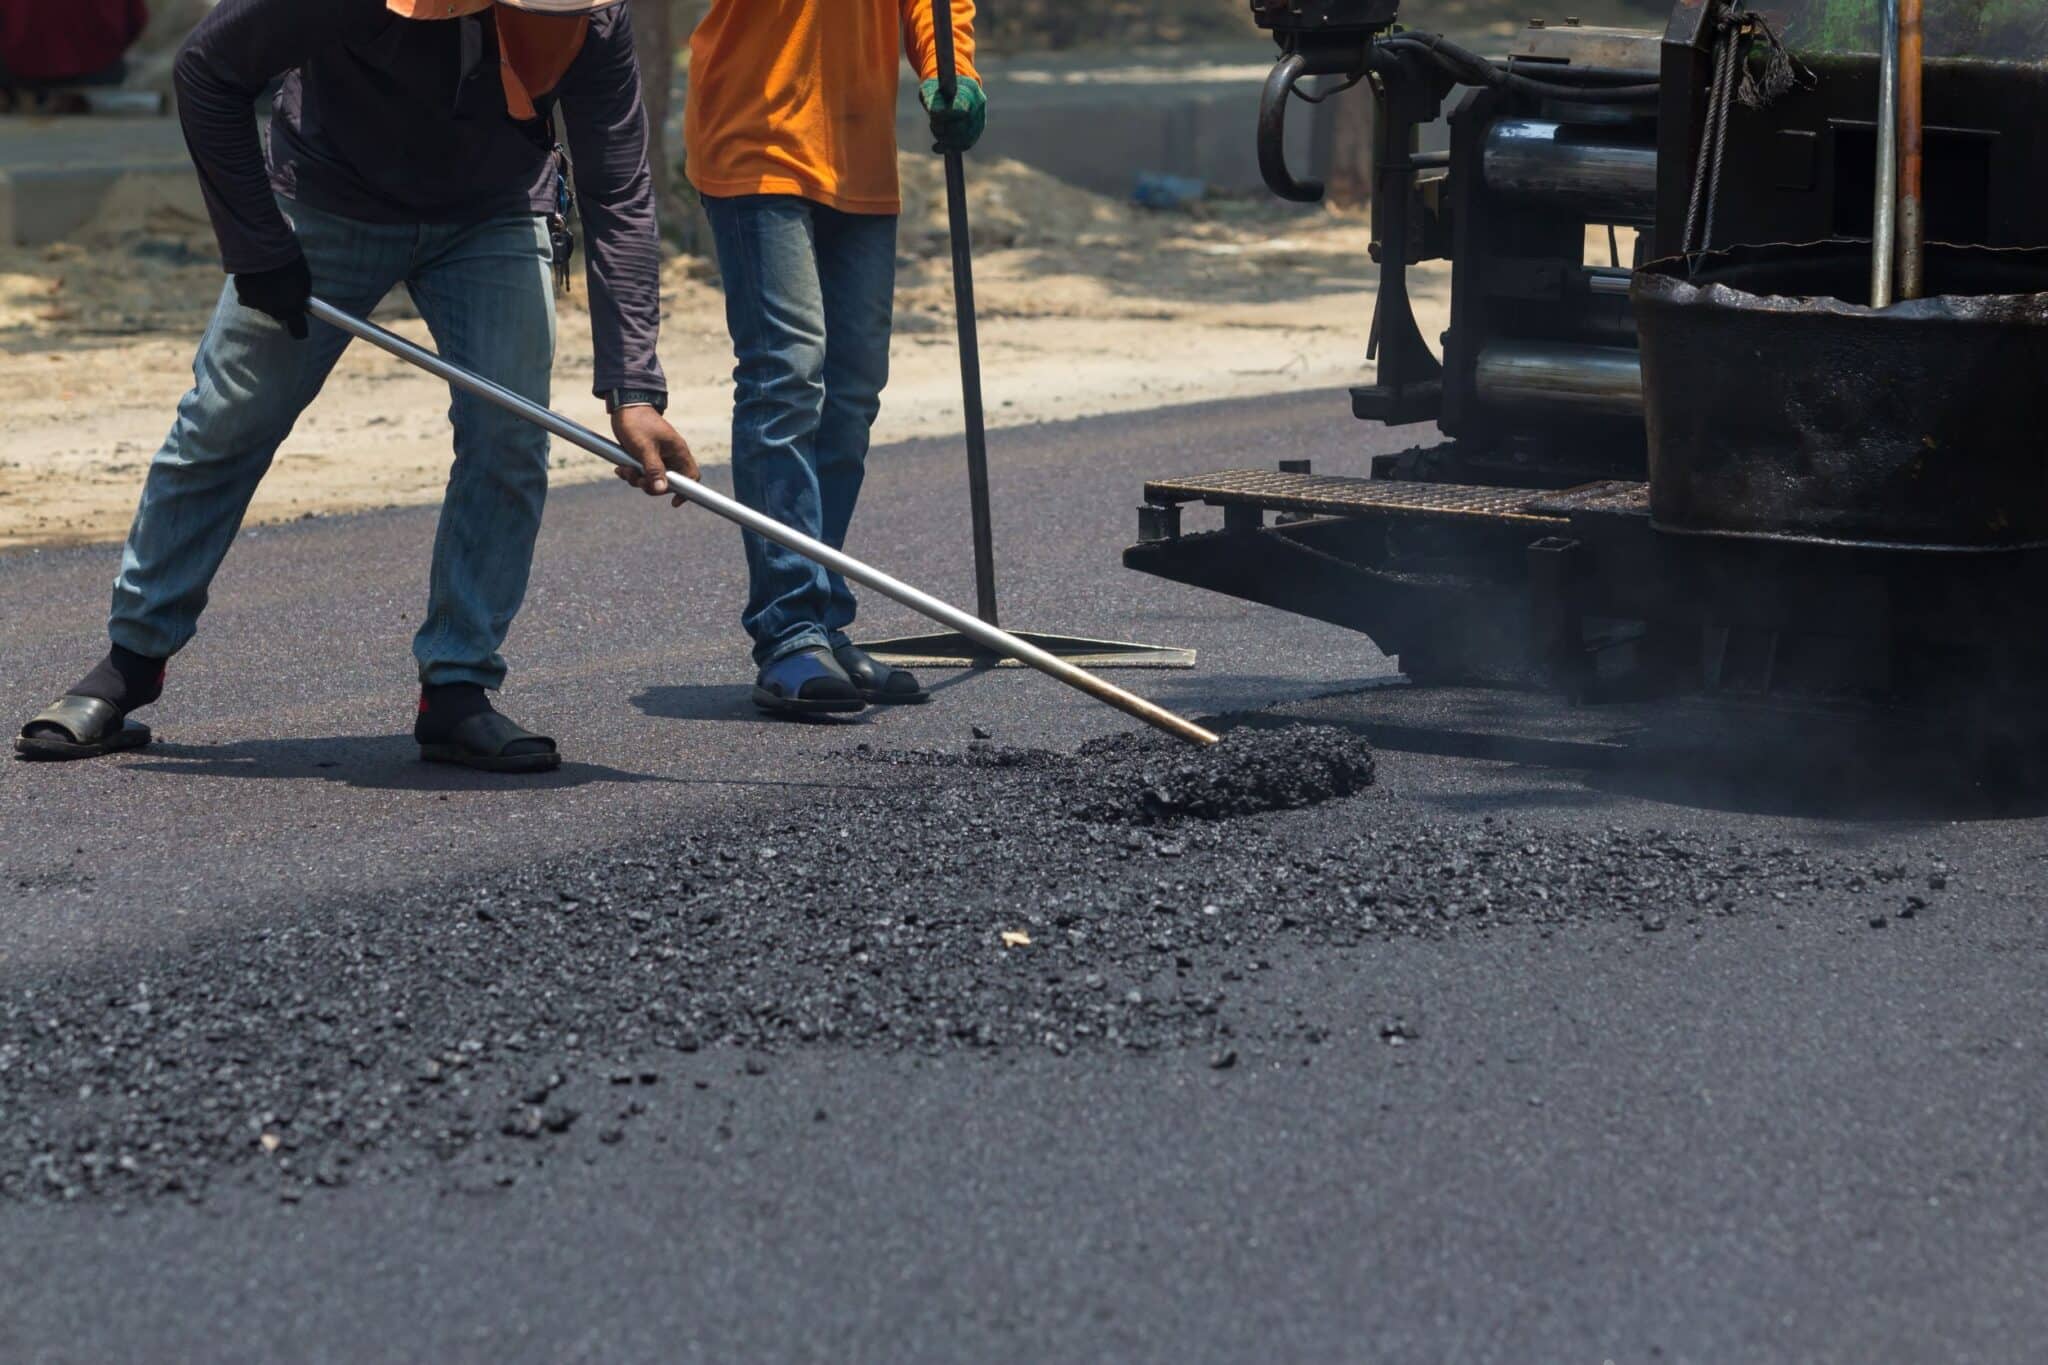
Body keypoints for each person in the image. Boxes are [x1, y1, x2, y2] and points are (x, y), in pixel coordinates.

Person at [15, 0, 697, 773]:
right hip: (326, 196)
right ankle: (130, 662)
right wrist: (257, 244)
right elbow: (205, 72)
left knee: (509, 439)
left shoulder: (593, 14)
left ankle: (458, 686)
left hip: (495, 212)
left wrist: (634, 390)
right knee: (227, 419)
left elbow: (618, 188)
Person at [667, 0, 986, 715]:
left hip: (857, 149)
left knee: (851, 391)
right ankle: (789, 632)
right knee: (787, 375)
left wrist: (951, 74)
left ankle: (823, 614)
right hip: (759, 136)